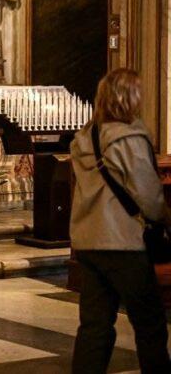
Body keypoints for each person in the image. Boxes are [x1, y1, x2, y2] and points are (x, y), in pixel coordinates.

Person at [70, 68, 171, 373]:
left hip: (88, 240)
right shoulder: (129, 138)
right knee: (150, 323)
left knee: (94, 326)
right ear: (128, 98)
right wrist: (163, 219)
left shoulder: (86, 137)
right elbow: (148, 195)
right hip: (123, 242)